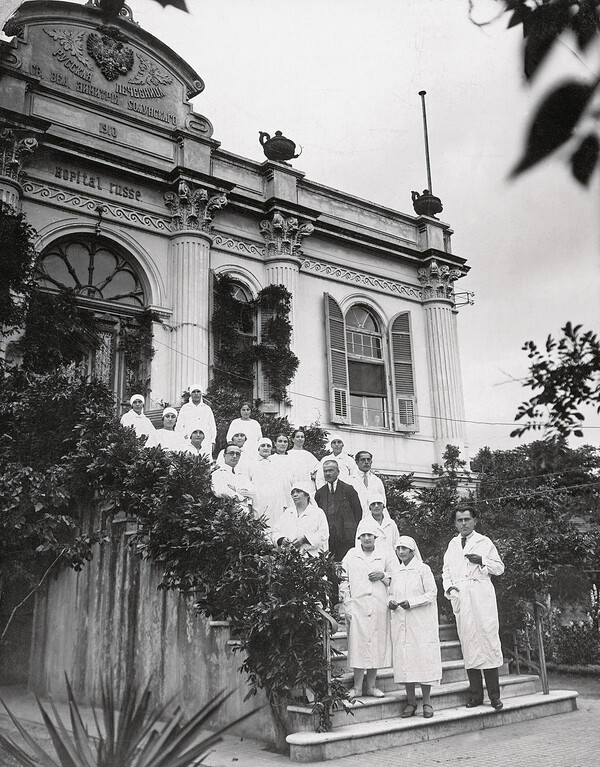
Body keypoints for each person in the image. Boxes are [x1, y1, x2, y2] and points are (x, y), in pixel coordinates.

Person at [442, 505, 505, 711]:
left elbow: (499, 568)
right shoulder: (452, 544)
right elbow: (446, 571)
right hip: (462, 597)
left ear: (474, 521)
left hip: (481, 596)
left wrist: (482, 561)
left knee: (488, 643)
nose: (463, 524)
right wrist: (450, 588)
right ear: (455, 523)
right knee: (469, 645)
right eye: (459, 520)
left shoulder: (484, 542)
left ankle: (494, 696)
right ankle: (476, 695)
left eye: (467, 519)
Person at [388, 536, 442, 719]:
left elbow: (432, 593)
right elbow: (389, 593)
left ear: (412, 550)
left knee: (422, 660)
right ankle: (411, 701)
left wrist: (411, 602)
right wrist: (391, 602)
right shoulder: (396, 571)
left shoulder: (422, 569)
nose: (401, 552)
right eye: (398, 549)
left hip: (420, 623)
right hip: (401, 622)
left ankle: (427, 701)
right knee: (405, 663)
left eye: (404, 548)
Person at [340, 517, 393, 701]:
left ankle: (371, 686)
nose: (367, 539)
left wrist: (383, 575)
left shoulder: (385, 553)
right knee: (358, 645)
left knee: (375, 645)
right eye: (363, 536)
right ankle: (356, 687)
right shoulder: (351, 555)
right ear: (359, 538)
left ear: (375, 537)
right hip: (358, 606)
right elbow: (343, 579)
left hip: (379, 605)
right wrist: (347, 603)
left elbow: (396, 576)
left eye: (369, 535)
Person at [314, 459, 362, 561]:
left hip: (346, 537)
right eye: (325, 471)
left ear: (338, 472)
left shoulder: (348, 489)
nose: (327, 473)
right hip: (328, 539)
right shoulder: (320, 493)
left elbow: (358, 513)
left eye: (331, 470)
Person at [271, 481, 329, 557]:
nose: (294, 495)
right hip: (289, 559)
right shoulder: (288, 513)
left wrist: (304, 539)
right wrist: (282, 539)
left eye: (298, 492)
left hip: (311, 559)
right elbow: (275, 531)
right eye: (293, 493)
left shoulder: (317, 513)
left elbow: (323, 535)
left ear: (307, 495)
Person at [249, 437, 287, 526]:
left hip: (275, 502)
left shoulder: (276, 463)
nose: (266, 448)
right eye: (263, 446)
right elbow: (248, 485)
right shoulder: (251, 463)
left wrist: (284, 504)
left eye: (268, 446)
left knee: (275, 526)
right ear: (258, 448)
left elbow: (281, 485)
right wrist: (249, 503)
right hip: (258, 501)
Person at [211, 442, 257, 512]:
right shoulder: (217, 474)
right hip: (228, 514)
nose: (235, 456)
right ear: (224, 456)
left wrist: (236, 489)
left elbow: (253, 492)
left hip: (244, 515)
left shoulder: (241, 475)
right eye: (231, 453)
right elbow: (221, 492)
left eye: (237, 454)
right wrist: (243, 497)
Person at [175, 384, 216, 453]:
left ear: (201, 393)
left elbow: (212, 426)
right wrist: (182, 438)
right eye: (194, 392)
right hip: (188, 441)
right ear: (191, 394)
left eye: (198, 391)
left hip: (205, 441)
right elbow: (179, 426)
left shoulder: (207, 408)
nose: (196, 394)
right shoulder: (185, 408)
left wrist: (212, 441)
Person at [351, 450, 386, 515]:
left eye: (368, 460)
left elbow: (383, 502)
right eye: (363, 460)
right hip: (356, 518)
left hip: (374, 518)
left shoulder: (377, 481)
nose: (366, 462)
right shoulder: (350, 481)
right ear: (356, 462)